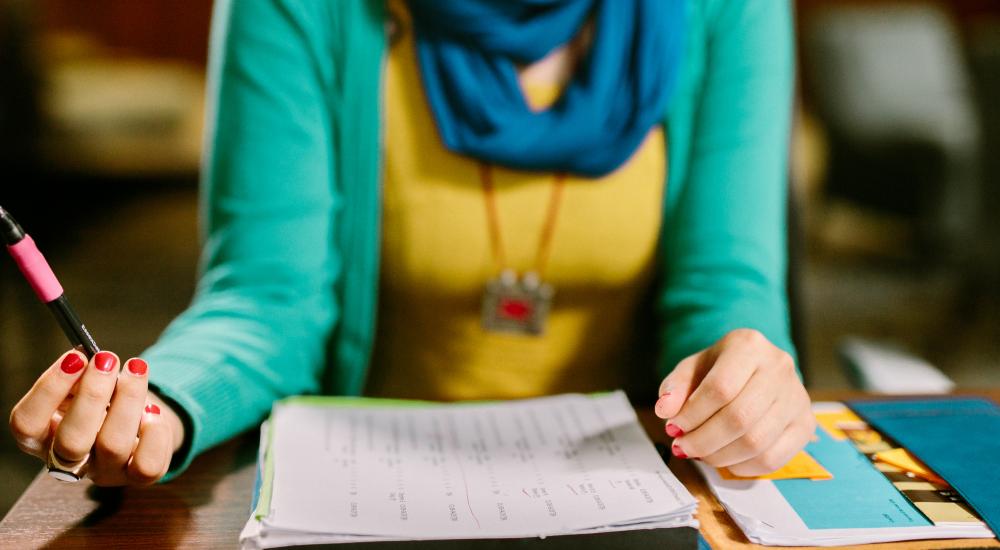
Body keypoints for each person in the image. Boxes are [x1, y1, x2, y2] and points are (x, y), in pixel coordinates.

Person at [9, 0, 814, 487]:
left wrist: (743, 376)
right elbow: (265, 299)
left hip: (630, 487)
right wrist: (165, 402)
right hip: (363, 491)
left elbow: (724, 284)